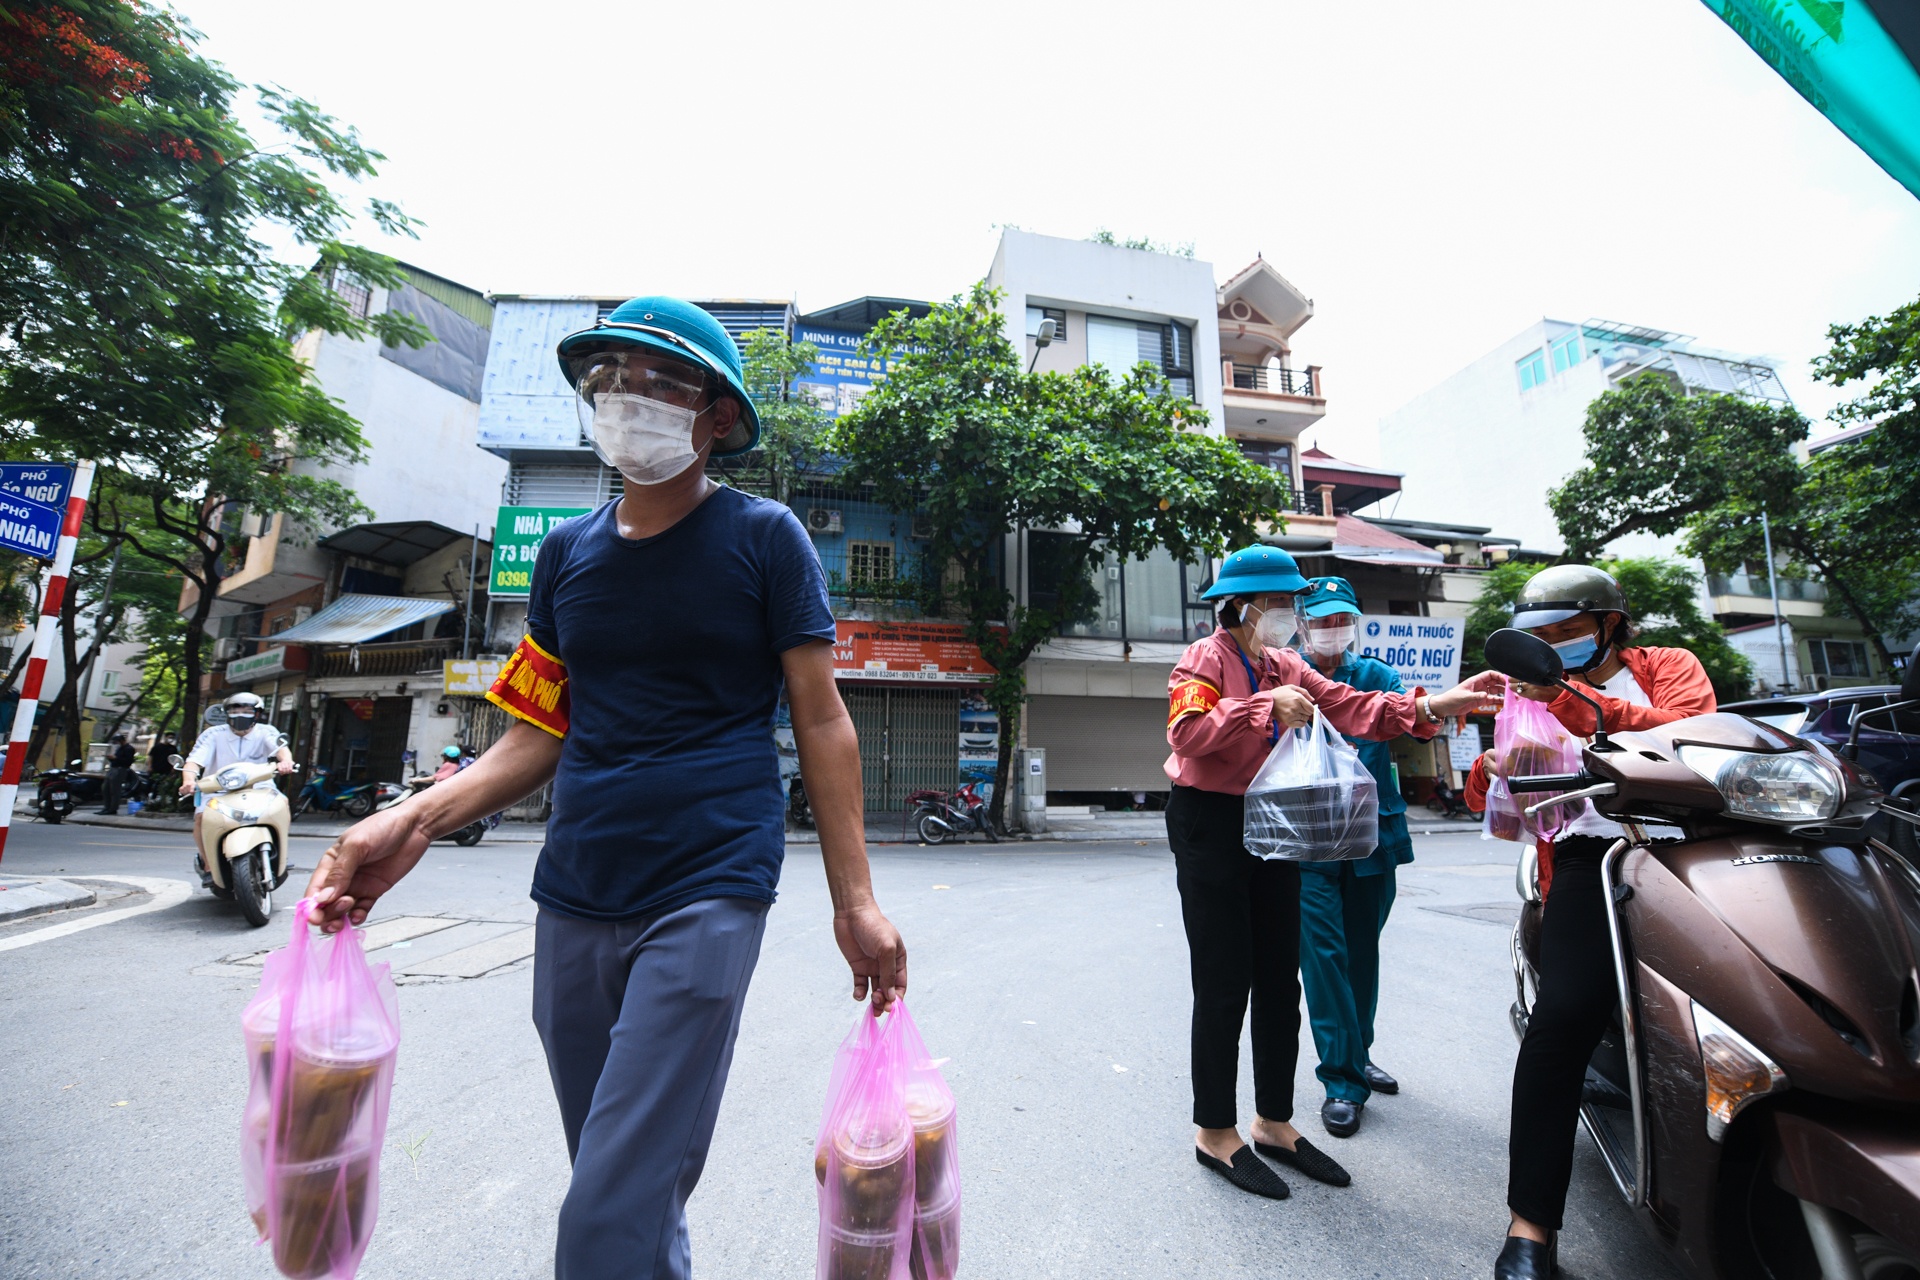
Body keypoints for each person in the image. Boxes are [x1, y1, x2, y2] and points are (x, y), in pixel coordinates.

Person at [302, 295, 907, 1280]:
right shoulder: (564, 555)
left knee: (599, 1220)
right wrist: (409, 817)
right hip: (574, 891)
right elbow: (538, 730)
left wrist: (858, 901)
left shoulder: (766, 537)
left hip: (711, 883)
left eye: (658, 380)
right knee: (623, 1186)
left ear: (716, 415)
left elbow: (823, 715)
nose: (626, 398)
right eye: (607, 379)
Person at [1165, 545, 1503, 1201]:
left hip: (1272, 819)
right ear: (1239, 606)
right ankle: (1214, 1130)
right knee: (1224, 979)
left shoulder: (1284, 663)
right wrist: (1264, 709)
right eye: (1282, 603)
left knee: (1278, 977)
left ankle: (1272, 1120)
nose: (1291, 615)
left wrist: (1436, 706)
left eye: (1293, 604)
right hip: (1209, 824)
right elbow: (1186, 731)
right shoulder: (1205, 659)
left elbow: (1353, 706)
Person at [1462, 565, 1714, 1280]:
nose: (1554, 647)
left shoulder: (1669, 667)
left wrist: (1578, 703)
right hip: (1588, 858)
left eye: (1568, 632)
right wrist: (1493, 763)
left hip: (1684, 851)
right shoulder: (1521, 691)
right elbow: (1493, 791)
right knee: (1564, 1015)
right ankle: (1530, 1227)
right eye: (1542, 637)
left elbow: (1694, 735)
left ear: (1609, 624)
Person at [1293, 576, 1410, 1139]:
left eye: (1342, 619)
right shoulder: (1283, 675)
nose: (1332, 630)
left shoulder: (1378, 677)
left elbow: (1403, 718)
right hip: (1310, 840)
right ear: (1300, 623)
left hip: (1372, 836)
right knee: (1324, 957)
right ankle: (1341, 1082)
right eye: (1322, 620)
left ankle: (1357, 1053)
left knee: (1363, 952)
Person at [179, 693, 294, 846]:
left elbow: (281, 749)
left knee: (282, 803)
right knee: (201, 818)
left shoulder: (266, 731)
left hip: (259, 786)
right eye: (235, 712)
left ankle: (280, 847)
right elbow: (193, 761)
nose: (241, 716)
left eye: (247, 712)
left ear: (257, 714)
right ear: (227, 714)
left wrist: (286, 762)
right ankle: (208, 865)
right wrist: (188, 781)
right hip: (217, 788)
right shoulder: (213, 734)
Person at [98, 733, 138, 814]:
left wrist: (116, 758)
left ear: (121, 740)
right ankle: (107, 807)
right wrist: (111, 758)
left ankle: (113, 808)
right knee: (106, 788)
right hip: (113, 768)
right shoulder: (120, 748)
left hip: (121, 769)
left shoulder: (129, 749)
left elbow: (128, 761)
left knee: (115, 790)